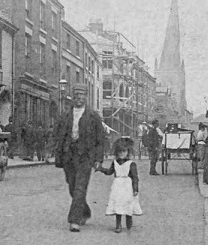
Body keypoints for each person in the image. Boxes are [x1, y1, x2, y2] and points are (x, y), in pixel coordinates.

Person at [54, 83, 105, 232]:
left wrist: (98, 159)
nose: (79, 98)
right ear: (73, 97)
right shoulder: (65, 115)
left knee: (80, 188)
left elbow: (100, 139)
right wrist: (57, 153)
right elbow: (59, 136)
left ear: (85, 97)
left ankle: (74, 221)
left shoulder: (93, 116)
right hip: (69, 155)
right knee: (72, 186)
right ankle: (85, 211)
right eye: (76, 95)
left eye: (82, 95)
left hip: (85, 156)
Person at [98, 137, 143, 233]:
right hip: (117, 186)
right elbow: (109, 172)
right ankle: (118, 225)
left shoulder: (131, 164)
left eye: (124, 151)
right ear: (116, 152)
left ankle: (129, 220)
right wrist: (101, 169)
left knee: (127, 203)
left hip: (127, 187)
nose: (122, 153)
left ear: (128, 152)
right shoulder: (115, 163)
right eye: (120, 152)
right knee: (118, 204)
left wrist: (135, 189)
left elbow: (135, 178)